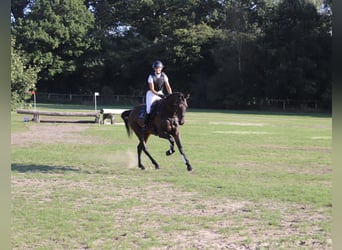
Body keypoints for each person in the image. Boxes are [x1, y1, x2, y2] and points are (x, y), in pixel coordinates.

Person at [143, 60, 172, 129]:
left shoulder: (164, 75)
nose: (158, 69)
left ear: (161, 68)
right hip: (151, 94)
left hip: (160, 92)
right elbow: (152, 89)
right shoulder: (151, 76)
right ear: (154, 69)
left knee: (165, 106)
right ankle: (145, 125)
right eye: (156, 68)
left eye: (159, 68)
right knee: (148, 109)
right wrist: (159, 95)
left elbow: (168, 86)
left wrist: (170, 95)